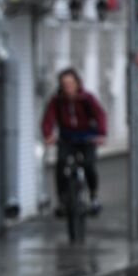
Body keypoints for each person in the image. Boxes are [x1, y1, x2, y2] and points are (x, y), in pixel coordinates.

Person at [41, 68, 107, 216]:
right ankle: (62, 201)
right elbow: (48, 118)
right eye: (64, 85)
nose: (68, 88)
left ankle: (93, 197)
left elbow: (99, 114)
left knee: (89, 164)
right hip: (67, 139)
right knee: (61, 164)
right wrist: (47, 134)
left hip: (87, 138)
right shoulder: (57, 101)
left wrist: (101, 134)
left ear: (77, 84)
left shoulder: (86, 98)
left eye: (71, 84)